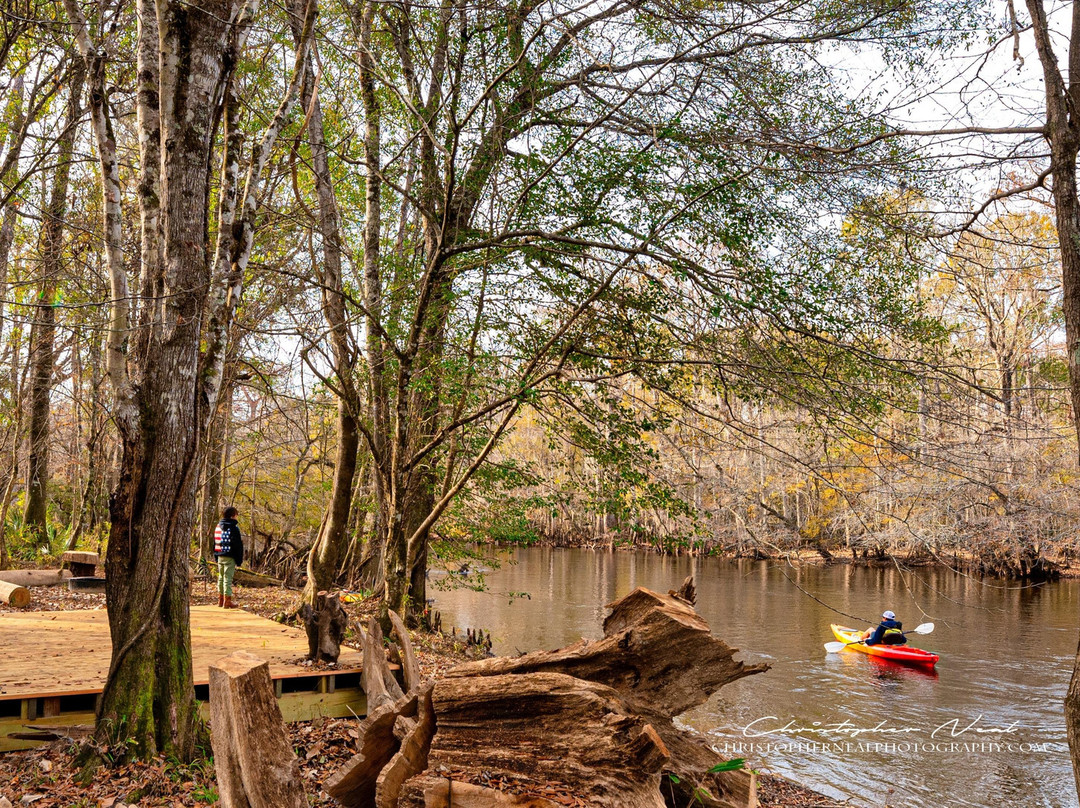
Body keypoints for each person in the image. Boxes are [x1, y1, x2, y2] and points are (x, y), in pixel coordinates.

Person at [214, 506, 244, 608]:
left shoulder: (218, 526)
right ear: (232, 516)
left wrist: (216, 555)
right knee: (228, 579)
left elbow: (216, 542)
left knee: (221, 578)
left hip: (220, 555)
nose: (237, 517)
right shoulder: (234, 528)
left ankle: (220, 600)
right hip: (230, 556)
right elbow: (237, 545)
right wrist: (239, 560)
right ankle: (227, 601)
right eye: (236, 515)